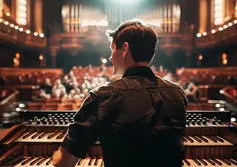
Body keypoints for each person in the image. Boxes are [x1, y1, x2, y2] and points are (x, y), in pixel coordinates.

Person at [52, 19, 188, 167]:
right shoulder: (177, 94)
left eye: (112, 49)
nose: (110, 57)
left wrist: (56, 156)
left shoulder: (103, 97)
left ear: (124, 48)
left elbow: (64, 162)